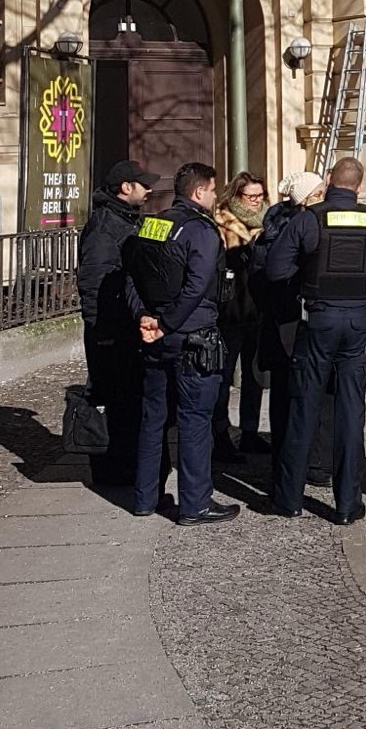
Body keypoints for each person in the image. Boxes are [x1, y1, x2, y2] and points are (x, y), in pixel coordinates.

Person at [267, 155, 366, 521]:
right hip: (358, 323)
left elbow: (276, 269)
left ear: (329, 183)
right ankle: (347, 505)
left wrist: (306, 271)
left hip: (317, 320)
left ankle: (289, 499)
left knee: (304, 406)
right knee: (350, 410)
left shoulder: (308, 220)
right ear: (359, 186)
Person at [126, 161, 239, 527]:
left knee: (153, 418)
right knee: (194, 421)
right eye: (212, 190)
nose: (215, 196)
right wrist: (166, 323)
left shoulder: (151, 224)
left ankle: (145, 498)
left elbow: (132, 275)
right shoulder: (202, 230)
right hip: (192, 335)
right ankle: (195, 504)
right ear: (198, 191)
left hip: (155, 334)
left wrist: (144, 316)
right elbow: (197, 286)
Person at [76, 159, 156, 487]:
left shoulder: (126, 219)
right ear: (126, 188)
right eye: (143, 184)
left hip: (124, 326)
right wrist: (102, 332)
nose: (149, 189)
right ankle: (112, 471)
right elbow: (94, 281)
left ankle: (124, 466)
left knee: (127, 400)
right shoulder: (105, 226)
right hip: (110, 330)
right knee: (114, 400)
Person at [251, 171, 325, 499]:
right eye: (320, 192)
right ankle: (297, 468)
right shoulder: (300, 229)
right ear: (306, 199)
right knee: (297, 398)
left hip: (277, 322)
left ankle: (284, 467)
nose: (325, 197)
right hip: (291, 322)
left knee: (283, 398)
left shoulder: (273, 228)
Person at [213, 171, 269, 459]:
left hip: (257, 309)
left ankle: (250, 431)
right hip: (230, 311)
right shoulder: (222, 222)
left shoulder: (268, 221)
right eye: (251, 196)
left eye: (260, 195)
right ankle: (220, 434)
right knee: (223, 376)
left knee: (254, 375)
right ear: (237, 196)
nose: (256, 201)